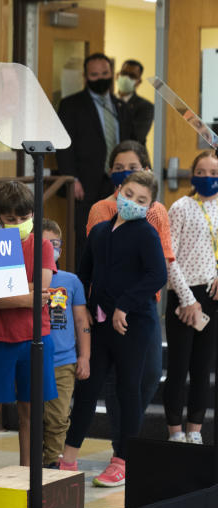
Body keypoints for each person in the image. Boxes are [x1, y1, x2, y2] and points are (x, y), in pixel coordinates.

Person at [61, 171, 167, 487]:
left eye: (142, 200)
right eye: (129, 194)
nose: (132, 202)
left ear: (150, 206)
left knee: (127, 390)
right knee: (88, 387)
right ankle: (67, 457)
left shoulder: (146, 234)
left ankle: (123, 459)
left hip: (133, 324)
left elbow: (156, 275)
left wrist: (124, 305)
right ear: (118, 191)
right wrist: (83, 311)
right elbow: (84, 274)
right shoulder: (100, 232)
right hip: (100, 322)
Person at [86, 141, 174, 456]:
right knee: (117, 379)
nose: (125, 173)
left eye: (132, 167)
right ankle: (121, 449)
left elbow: (162, 262)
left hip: (143, 308)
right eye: (119, 168)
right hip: (108, 309)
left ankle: (129, 440)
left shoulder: (156, 210)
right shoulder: (100, 209)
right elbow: (101, 260)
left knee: (148, 374)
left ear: (145, 171)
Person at [0, 181, 58, 473]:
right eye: (11, 219)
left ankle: (28, 472)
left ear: (32, 214)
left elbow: (43, 293)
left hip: (36, 337)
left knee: (31, 410)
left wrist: (4, 292)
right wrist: (26, 295)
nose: (19, 224)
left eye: (23, 218)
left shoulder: (43, 245)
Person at [57, 52, 137, 267]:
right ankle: (85, 292)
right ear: (85, 76)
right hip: (85, 183)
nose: (100, 78)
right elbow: (64, 146)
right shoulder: (71, 105)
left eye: (105, 73)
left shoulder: (122, 106)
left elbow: (134, 142)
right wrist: (71, 178)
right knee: (86, 237)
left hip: (120, 182)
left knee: (121, 234)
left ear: (112, 74)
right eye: (94, 74)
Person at [163, 150, 218, 444]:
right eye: (201, 172)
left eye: (213, 173)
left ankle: (195, 431)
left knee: (202, 368)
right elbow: (169, 255)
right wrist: (187, 299)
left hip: (212, 294)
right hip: (184, 294)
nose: (207, 178)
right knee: (179, 365)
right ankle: (174, 430)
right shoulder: (182, 207)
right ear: (192, 175)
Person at [40, 219, 90, 468]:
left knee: (58, 418)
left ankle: (51, 465)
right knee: (34, 417)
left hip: (63, 360)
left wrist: (85, 357)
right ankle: (29, 466)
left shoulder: (71, 281)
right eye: (45, 243)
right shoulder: (28, 278)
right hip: (34, 357)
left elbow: (82, 320)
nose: (51, 249)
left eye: (55, 244)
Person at [117, 59, 154, 148]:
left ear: (139, 81)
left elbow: (136, 138)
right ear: (117, 75)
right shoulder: (107, 102)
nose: (126, 78)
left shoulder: (145, 107)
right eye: (124, 73)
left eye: (132, 76)